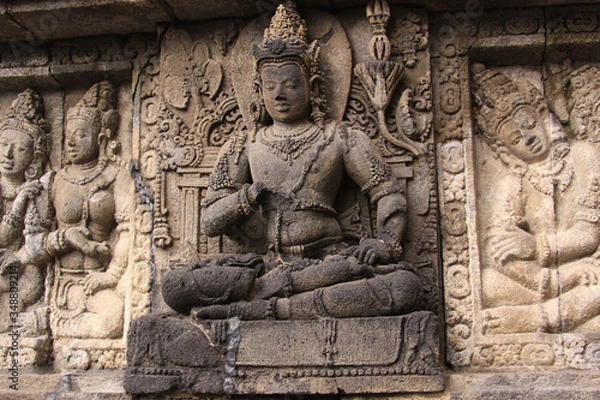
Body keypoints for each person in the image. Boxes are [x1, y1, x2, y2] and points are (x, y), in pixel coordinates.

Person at [162, 2, 423, 320]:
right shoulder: (246, 143)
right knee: (175, 287)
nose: (280, 95)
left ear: (312, 87)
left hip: (331, 261)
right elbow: (210, 221)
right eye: (270, 86)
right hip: (264, 266)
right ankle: (282, 299)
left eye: (291, 84)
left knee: (405, 286)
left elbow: (388, 191)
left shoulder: (339, 137)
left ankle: (270, 306)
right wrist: (247, 197)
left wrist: (387, 242)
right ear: (257, 90)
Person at [472, 64, 600, 334]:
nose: (529, 139)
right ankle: (563, 306)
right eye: (516, 139)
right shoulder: (513, 183)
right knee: (484, 284)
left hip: (589, 265)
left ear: (543, 116)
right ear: (504, 149)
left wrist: (535, 246)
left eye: (530, 124)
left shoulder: (582, 156)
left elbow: (590, 233)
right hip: (552, 279)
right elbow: (500, 253)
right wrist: (558, 279)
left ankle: (539, 318)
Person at [46, 81, 134, 339]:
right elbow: (34, 244)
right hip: (65, 282)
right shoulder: (55, 180)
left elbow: (129, 232)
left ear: (101, 139)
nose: (71, 143)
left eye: (81, 135)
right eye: (68, 134)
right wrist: (65, 238)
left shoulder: (115, 176)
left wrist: (112, 275)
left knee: (113, 319)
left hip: (100, 280)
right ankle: (54, 326)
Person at [0, 89, 51, 334]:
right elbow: (3, 238)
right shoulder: (15, 192)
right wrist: (19, 202)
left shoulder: (38, 189)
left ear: (34, 156)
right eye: (3, 145)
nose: (7, 154)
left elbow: (37, 243)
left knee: (30, 281)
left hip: (18, 268)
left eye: (19, 149)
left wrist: (20, 258)